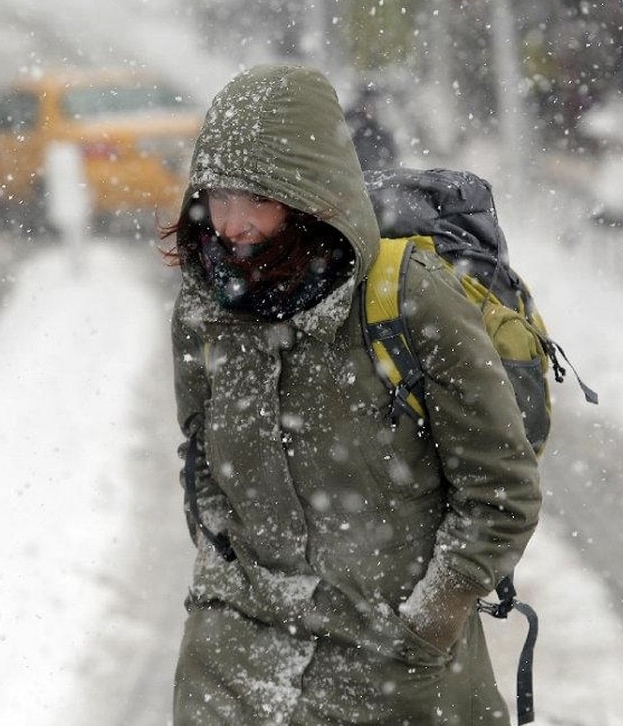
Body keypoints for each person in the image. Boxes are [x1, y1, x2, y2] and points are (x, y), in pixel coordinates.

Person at [161, 63, 542, 725]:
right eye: (217, 198)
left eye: (258, 198)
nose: (232, 225)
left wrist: (430, 620)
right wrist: (222, 579)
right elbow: (201, 462)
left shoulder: (408, 295)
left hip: (392, 672)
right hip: (234, 668)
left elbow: (501, 490)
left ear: (308, 191)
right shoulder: (207, 306)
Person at [344, 83, 399, 170]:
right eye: (368, 105)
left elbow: (392, 160)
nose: (372, 109)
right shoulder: (355, 130)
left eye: (374, 105)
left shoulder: (384, 134)